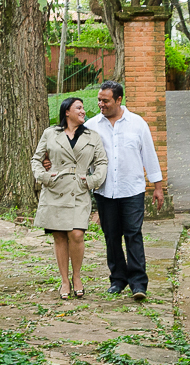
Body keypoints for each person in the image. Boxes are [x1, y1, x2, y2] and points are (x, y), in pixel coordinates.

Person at [87, 80, 164, 301]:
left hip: (132, 190)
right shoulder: (92, 126)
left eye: (106, 100)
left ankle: (138, 283)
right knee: (111, 237)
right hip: (105, 191)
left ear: (119, 100)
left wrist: (157, 187)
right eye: (99, 100)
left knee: (133, 234)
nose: (101, 104)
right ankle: (118, 280)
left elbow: (149, 155)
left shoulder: (138, 124)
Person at [31, 97, 108, 300]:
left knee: (76, 234)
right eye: (79, 108)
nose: (83, 111)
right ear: (67, 112)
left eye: (83, 108)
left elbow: (101, 162)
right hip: (55, 190)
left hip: (79, 189)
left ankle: (77, 276)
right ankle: (64, 280)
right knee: (59, 236)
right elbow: (36, 159)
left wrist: (92, 181)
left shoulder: (93, 136)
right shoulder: (50, 133)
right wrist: (45, 177)